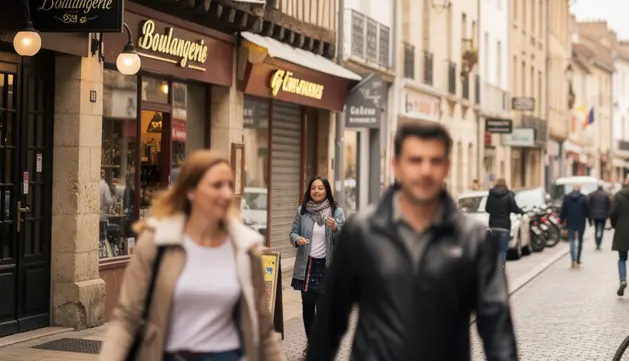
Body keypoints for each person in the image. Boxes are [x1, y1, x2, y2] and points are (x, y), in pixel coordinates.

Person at [307, 121, 517, 361]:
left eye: (435, 161)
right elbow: (329, 324)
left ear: (447, 167)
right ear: (397, 165)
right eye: (415, 160)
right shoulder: (362, 233)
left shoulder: (474, 240)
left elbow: (497, 329)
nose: (425, 171)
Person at [99, 150, 281, 361]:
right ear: (190, 191)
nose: (227, 194)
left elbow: (264, 330)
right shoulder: (158, 242)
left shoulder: (245, 247)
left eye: (230, 185)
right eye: (217, 185)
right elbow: (126, 318)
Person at [289, 177, 345, 342]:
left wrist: (335, 228)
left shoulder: (336, 212)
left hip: (327, 266)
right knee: (307, 306)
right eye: (313, 188)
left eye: (320, 188)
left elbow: (344, 237)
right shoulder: (302, 211)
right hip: (307, 265)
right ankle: (311, 342)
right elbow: (293, 232)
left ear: (326, 191)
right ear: (309, 190)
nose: (317, 191)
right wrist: (297, 239)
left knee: (323, 309)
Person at [485, 177, 523, 269]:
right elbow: (514, 208)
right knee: (502, 250)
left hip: (493, 226)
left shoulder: (491, 194)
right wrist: (520, 211)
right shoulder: (509, 194)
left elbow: (487, 209)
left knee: (494, 250)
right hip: (504, 226)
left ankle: (493, 268)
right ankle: (501, 269)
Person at [559, 183, 589, 267]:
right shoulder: (583, 198)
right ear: (579, 189)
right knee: (580, 240)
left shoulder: (567, 198)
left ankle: (573, 260)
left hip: (570, 221)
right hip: (581, 221)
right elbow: (587, 210)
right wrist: (589, 219)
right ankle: (578, 259)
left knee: (572, 240)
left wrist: (562, 220)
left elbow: (563, 210)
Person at [587, 182, 612, 249]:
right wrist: (608, 215)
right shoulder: (606, 195)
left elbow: (589, 205)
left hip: (594, 215)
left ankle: (597, 243)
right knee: (601, 229)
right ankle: (599, 242)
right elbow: (608, 206)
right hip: (603, 215)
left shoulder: (592, 194)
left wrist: (590, 216)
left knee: (596, 229)